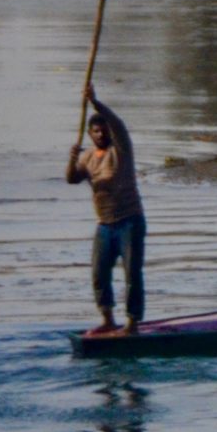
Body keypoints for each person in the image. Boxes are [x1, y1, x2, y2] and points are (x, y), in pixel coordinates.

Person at [67, 84, 145, 333]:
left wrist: (96, 103)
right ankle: (108, 319)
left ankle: (132, 322)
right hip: (105, 224)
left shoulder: (120, 150)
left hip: (129, 220)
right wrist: (71, 159)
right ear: (90, 134)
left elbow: (118, 124)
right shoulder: (88, 157)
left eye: (104, 131)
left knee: (132, 274)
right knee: (99, 274)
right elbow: (71, 179)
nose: (101, 134)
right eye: (96, 131)